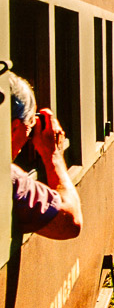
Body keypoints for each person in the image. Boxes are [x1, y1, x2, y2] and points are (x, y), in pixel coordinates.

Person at [10, 74, 83, 240]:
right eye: (28, 129)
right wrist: (54, 156)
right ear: (14, 128)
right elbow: (69, 223)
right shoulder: (10, 177)